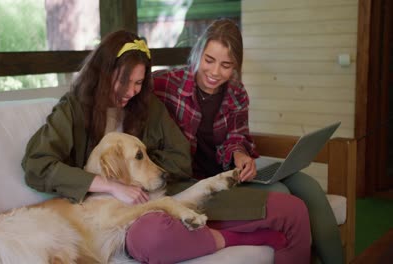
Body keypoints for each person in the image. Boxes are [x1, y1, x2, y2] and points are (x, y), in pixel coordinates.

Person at [22, 29, 310, 264]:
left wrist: (142, 173)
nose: (132, 91)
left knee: (292, 210)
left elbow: (180, 158)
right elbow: (37, 165)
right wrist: (110, 184)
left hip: (165, 196)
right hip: (114, 218)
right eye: (124, 81)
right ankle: (233, 237)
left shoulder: (145, 106)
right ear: (102, 71)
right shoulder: (73, 110)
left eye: (138, 82)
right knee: (152, 236)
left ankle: (226, 228)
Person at [152, 18, 343, 264]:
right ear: (198, 53)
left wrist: (241, 155)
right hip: (199, 182)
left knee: (309, 186)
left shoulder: (236, 91)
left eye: (226, 65)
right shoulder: (164, 84)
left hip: (233, 171)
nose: (215, 72)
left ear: (236, 66)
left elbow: (236, 136)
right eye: (209, 60)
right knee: (282, 193)